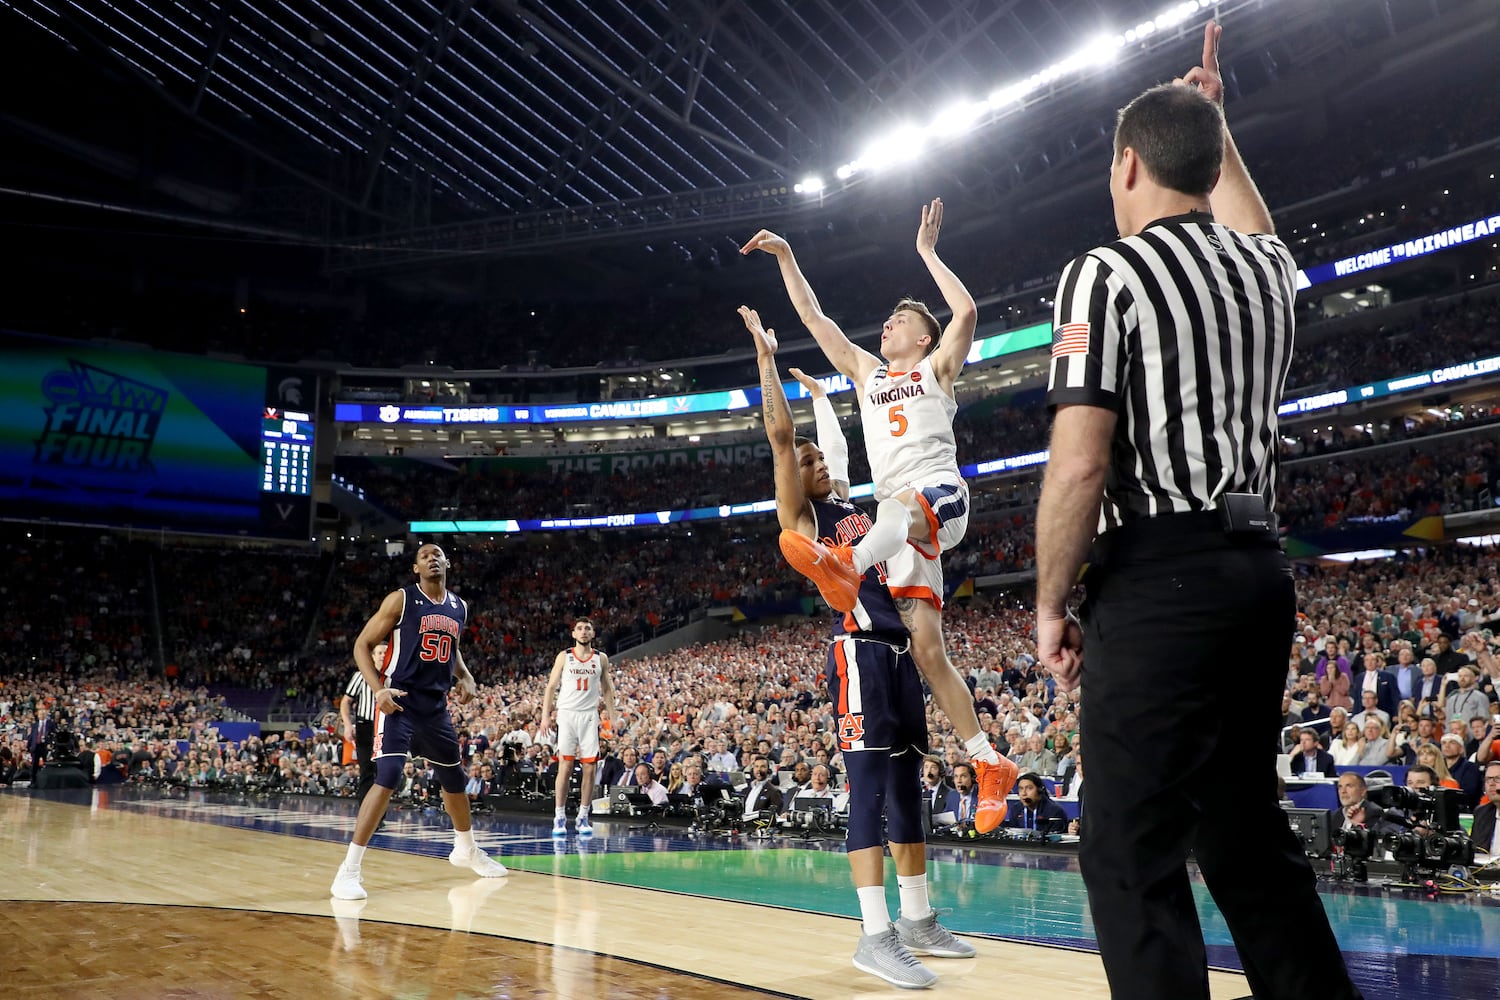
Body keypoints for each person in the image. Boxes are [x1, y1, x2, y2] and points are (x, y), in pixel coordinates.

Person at [1032, 23, 1363, 1000]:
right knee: (1245, 839)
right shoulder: (1267, 272)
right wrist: (1218, 125)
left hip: (1160, 576)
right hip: (1257, 573)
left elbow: (1081, 463)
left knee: (1130, 858)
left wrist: (1052, 598)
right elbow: (1250, 220)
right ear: (1209, 163)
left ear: (1127, 164)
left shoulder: (1107, 273)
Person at [740, 200, 1016, 834]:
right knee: (925, 649)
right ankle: (986, 759)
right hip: (897, 525)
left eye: (901, 321)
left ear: (923, 337)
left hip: (937, 494)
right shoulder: (865, 373)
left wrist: (926, 254)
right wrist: (786, 256)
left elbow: (966, 313)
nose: (887, 325)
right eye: (889, 320)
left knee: (886, 515)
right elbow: (814, 317)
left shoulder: (936, 370)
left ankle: (844, 563)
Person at [741, 308, 973, 989]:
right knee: (870, 792)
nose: (813, 461)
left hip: (901, 656)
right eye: (806, 461)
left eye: (820, 459)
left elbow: (833, 450)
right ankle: (874, 937)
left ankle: (917, 919)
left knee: (908, 793)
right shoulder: (805, 517)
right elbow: (783, 439)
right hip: (861, 655)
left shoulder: (853, 508)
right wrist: (765, 359)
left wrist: (825, 405)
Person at [329, 543, 509, 900]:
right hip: (400, 699)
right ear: (415, 568)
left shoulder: (459, 606)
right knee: (388, 776)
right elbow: (362, 645)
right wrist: (378, 689)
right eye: (424, 555)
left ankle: (466, 849)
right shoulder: (401, 599)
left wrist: (466, 677)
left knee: (454, 778)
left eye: (437, 554)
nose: (431, 558)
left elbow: (451, 648)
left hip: (435, 706)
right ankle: (347, 871)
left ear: (447, 563)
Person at [539, 618, 615, 838]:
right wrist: (545, 717)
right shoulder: (565, 656)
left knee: (590, 768)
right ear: (573, 633)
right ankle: (559, 815)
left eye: (587, 628)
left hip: (589, 716)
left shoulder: (601, 658)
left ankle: (583, 815)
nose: (583, 632)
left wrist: (614, 715)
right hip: (567, 715)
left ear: (593, 633)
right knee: (566, 766)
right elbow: (551, 687)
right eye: (580, 629)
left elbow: (607, 689)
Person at [339, 644, 381, 810]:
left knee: (383, 773)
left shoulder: (393, 676)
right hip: (365, 726)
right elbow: (345, 702)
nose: (382, 655)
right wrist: (348, 725)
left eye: (385, 652)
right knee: (367, 771)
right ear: (372, 656)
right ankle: (365, 812)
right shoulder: (361, 675)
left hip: (385, 727)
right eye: (379, 652)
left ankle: (379, 815)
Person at [1002, 772, 1069, 835]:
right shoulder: (1016, 809)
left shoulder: (1055, 811)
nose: (1024, 793)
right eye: (1021, 789)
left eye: (1029, 788)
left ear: (1040, 790)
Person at [1471, 760, 1500, 855]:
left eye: (1498, 778)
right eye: (1488, 779)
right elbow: (1475, 850)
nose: (1491, 784)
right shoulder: (1481, 813)